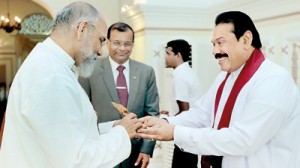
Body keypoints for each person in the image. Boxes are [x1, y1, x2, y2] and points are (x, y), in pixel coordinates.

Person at [137, 11, 300, 168]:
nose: (214, 51)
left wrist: (175, 132)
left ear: (246, 40)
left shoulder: (273, 80)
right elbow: (202, 114)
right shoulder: (225, 77)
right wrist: (164, 122)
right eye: (213, 44)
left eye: (220, 43)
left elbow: (242, 140)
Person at [0, 2, 142, 168]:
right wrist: (122, 133)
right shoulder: (52, 76)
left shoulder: (51, 64)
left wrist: (113, 127)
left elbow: (65, 133)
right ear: (82, 29)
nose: (101, 51)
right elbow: (76, 161)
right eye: (101, 40)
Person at [78, 22, 159, 168]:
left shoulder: (146, 72)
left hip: (134, 153)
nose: (122, 48)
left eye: (127, 44)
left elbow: (152, 113)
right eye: (116, 43)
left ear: (133, 44)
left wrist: (146, 150)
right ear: (107, 43)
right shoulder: (88, 70)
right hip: (101, 151)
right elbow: (81, 112)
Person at [163, 39, 202, 168]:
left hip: (185, 136)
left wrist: (166, 121)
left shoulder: (181, 77)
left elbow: (184, 110)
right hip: (190, 135)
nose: (165, 57)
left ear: (178, 55)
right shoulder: (187, 73)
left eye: (168, 53)